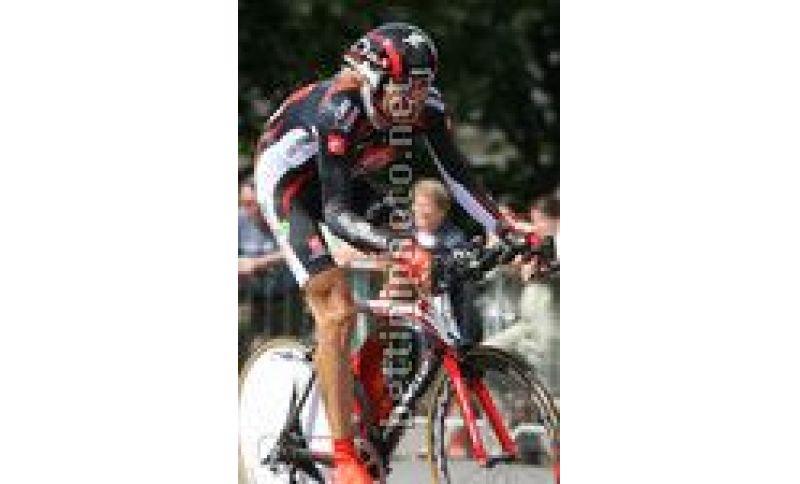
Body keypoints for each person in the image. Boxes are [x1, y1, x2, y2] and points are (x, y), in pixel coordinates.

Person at [252, 23, 536, 483]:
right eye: (404, 87)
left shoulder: (427, 107)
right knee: (337, 309)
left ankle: (364, 384)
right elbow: (337, 212)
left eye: (423, 87)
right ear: (372, 79)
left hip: (343, 181)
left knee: (409, 276)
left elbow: (458, 178)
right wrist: (399, 247)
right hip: (290, 188)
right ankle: (344, 455)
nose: (415, 99)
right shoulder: (341, 107)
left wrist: (504, 228)